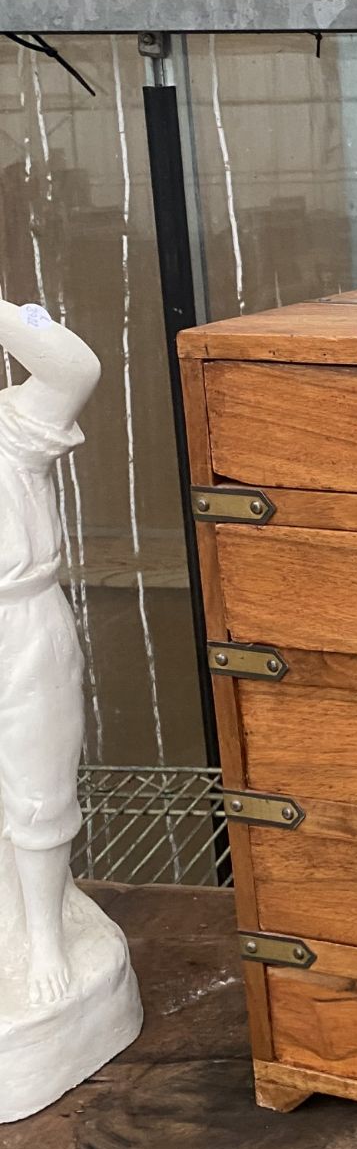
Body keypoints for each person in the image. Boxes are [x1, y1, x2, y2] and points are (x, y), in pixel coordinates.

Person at [0, 298, 100, 1007]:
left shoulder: (11, 428)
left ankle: (44, 935)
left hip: (21, 621)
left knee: (39, 788)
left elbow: (76, 366)